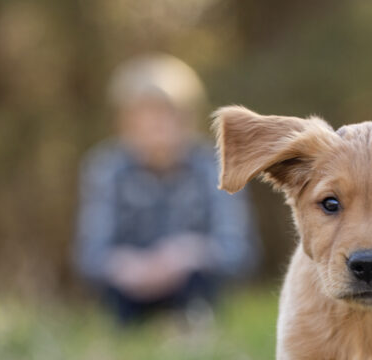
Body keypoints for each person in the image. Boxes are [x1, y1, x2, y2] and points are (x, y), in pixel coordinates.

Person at [73, 54, 258, 324]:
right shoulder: (105, 167)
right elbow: (89, 255)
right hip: (126, 291)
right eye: (143, 115)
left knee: (197, 290)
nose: (155, 125)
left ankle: (191, 325)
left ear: (187, 117)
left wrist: (189, 253)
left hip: (195, 287)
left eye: (165, 114)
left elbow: (240, 250)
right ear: (125, 121)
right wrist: (124, 264)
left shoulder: (216, 167)